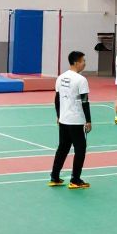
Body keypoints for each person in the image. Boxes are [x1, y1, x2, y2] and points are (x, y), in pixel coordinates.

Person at [49, 51, 91, 189]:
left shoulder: (60, 78)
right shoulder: (81, 80)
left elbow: (57, 99)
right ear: (76, 62)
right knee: (80, 149)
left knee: (62, 148)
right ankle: (75, 180)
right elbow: (84, 101)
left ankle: (54, 177)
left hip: (64, 120)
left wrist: (58, 115)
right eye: (83, 61)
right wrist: (88, 121)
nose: (84, 63)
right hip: (76, 120)